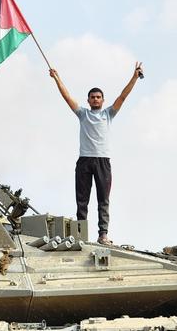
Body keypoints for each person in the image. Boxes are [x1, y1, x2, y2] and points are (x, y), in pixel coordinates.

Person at [49, 62, 144, 245]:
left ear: (102, 100)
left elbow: (123, 97)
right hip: (85, 160)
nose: (95, 99)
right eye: (92, 97)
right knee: (82, 200)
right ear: (88, 100)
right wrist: (57, 78)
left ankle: (103, 234)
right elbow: (67, 97)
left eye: (98, 97)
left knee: (103, 200)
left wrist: (134, 77)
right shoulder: (83, 114)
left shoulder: (108, 114)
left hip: (102, 161)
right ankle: (80, 234)